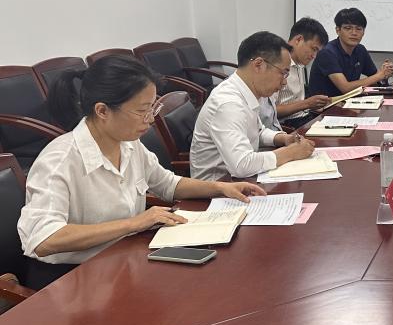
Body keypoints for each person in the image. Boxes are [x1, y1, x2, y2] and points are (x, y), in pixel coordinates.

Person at [17, 56, 265, 290]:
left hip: (122, 259)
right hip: (70, 279)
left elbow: (167, 184)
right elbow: (43, 239)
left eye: (152, 109)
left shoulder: (129, 144)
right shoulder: (59, 161)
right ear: (102, 111)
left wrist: (220, 188)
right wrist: (134, 223)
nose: (150, 120)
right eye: (141, 111)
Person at [190, 32, 315, 181]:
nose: (284, 82)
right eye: (283, 73)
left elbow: (257, 132)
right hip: (217, 187)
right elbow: (241, 165)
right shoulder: (228, 104)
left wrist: (283, 138)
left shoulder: (247, 91)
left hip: (239, 181)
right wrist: (291, 153)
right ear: (258, 65)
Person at [259, 17, 331, 132]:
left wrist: (314, 105)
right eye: (313, 49)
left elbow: (299, 103)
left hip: (305, 118)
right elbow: (269, 112)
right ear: (298, 40)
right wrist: (306, 104)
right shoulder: (275, 64)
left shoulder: (300, 64)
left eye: (317, 51)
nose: (314, 56)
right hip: (287, 126)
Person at [308, 8, 393, 97]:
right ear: (338, 30)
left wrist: (385, 74)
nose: (354, 33)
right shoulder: (327, 52)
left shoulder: (360, 50)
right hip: (325, 104)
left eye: (358, 29)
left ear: (363, 32)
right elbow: (345, 88)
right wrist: (380, 75)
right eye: (348, 28)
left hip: (348, 101)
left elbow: (375, 78)